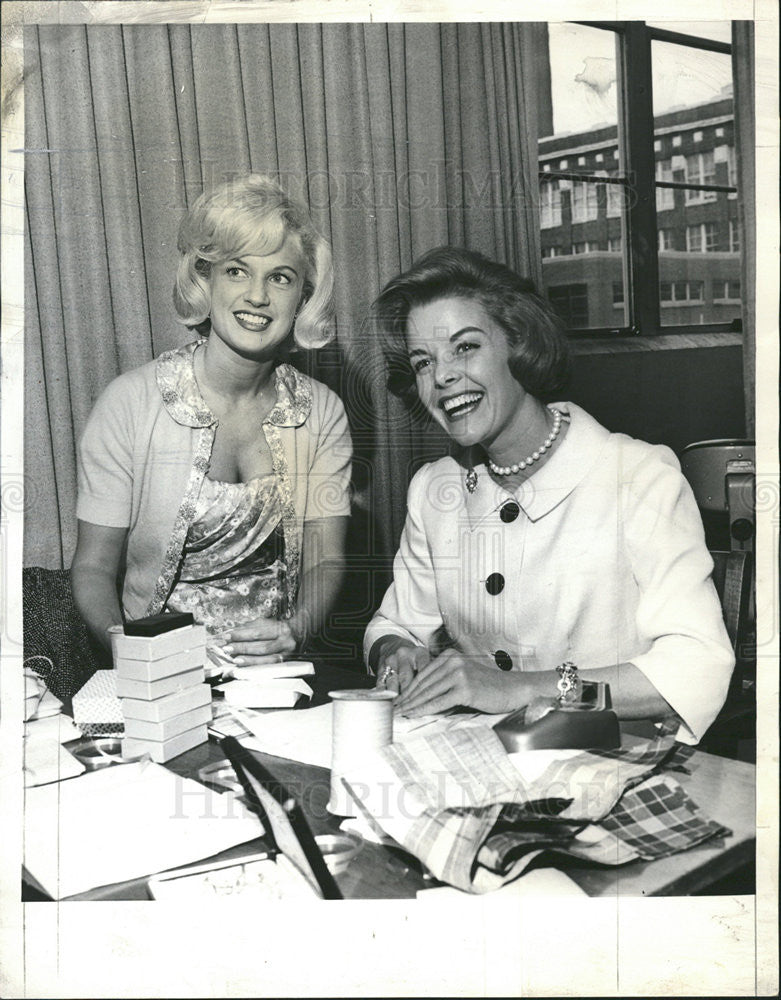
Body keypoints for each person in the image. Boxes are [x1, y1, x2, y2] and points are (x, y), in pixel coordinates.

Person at [364, 246, 733, 744]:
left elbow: (696, 666)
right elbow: (397, 623)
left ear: (518, 343)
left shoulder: (640, 476)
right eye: (423, 361)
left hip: (616, 758)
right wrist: (394, 651)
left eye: (465, 347)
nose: (443, 376)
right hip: (477, 755)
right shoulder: (435, 490)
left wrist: (515, 689)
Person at [71, 174, 352, 670]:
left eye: (280, 277)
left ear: (303, 296)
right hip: (158, 672)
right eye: (237, 271)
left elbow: (324, 557)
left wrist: (296, 630)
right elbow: (93, 567)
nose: (258, 297)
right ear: (206, 279)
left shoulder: (322, 412)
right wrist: (132, 652)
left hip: (277, 676)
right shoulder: (130, 403)